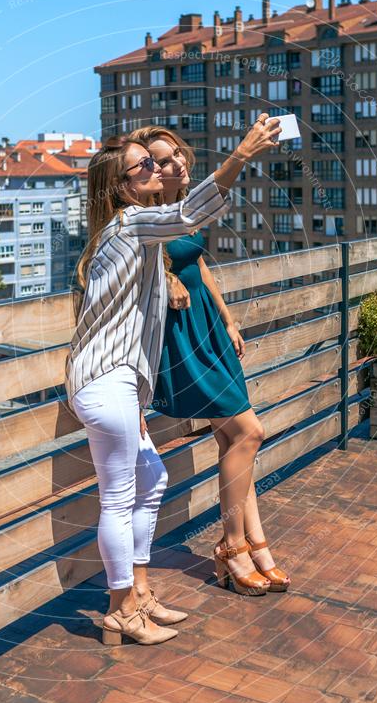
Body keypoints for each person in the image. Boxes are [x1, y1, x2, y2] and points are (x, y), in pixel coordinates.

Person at [65, 117, 281, 645]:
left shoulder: (126, 230)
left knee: (153, 478)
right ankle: (122, 611)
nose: (156, 168)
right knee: (117, 498)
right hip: (105, 380)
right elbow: (189, 212)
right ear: (123, 186)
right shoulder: (130, 225)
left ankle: (138, 593)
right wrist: (243, 153)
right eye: (145, 166)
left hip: (119, 381)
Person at [129, 123, 290, 596]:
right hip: (181, 337)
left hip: (208, 328)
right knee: (248, 432)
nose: (174, 161)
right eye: (160, 159)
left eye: (176, 152)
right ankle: (232, 546)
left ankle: (256, 544)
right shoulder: (146, 215)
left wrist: (228, 318)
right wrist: (165, 277)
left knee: (235, 444)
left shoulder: (184, 211)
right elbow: (146, 266)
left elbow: (198, 263)